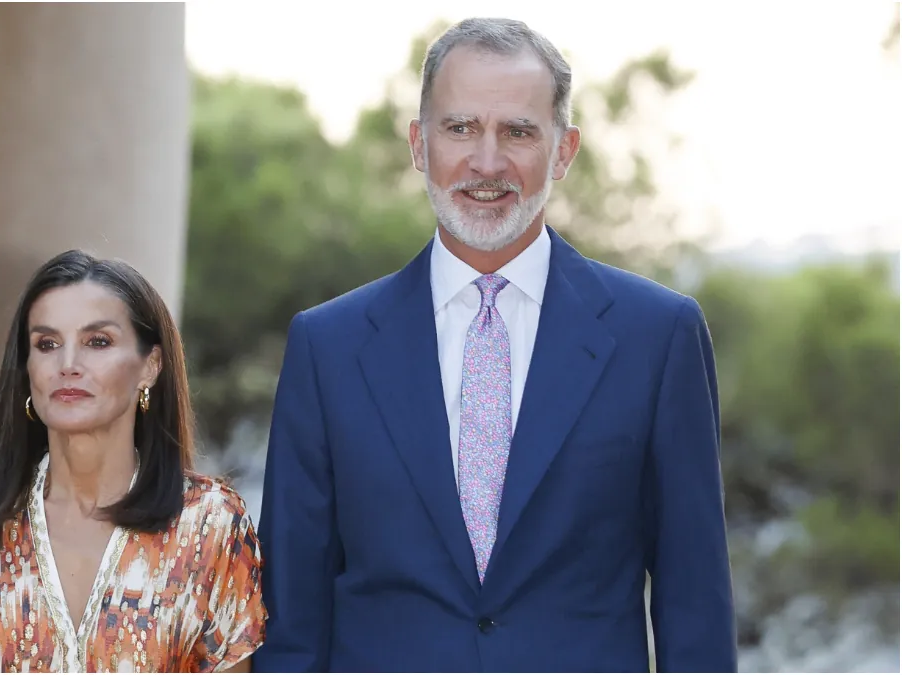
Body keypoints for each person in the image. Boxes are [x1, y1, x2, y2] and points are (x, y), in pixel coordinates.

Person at [253, 17, 736, 673]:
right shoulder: (327, 347)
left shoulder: (658, 337)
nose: (486, 161)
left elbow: (695, 612)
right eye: (459, 128)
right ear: (418, 144)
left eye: (517, 131)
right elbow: (291, 621)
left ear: (564, 150)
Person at [0, 250, 266, 672]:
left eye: (98, 342)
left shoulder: (210, 524)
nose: (68, 365)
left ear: (150, 366)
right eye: (47, 344)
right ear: (27, 367)